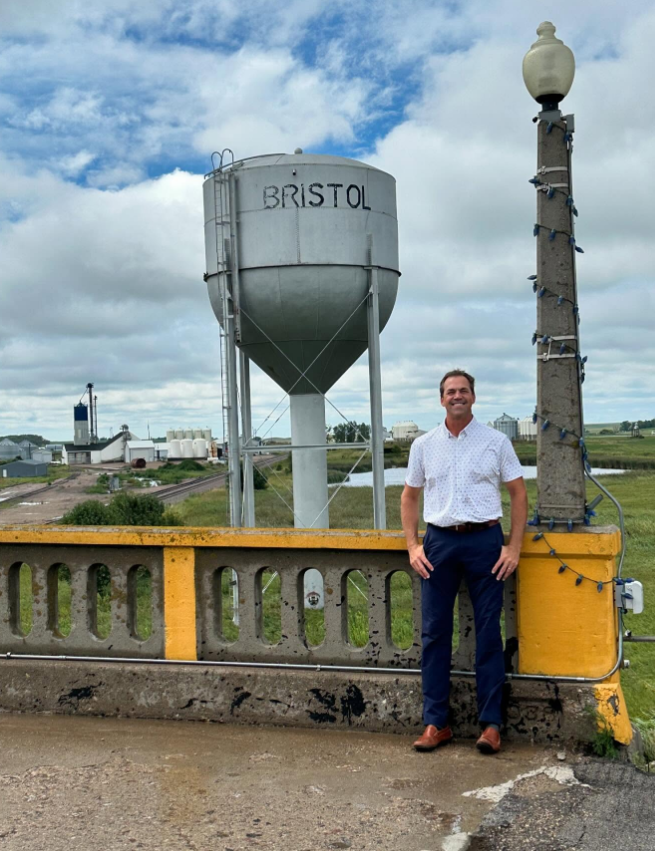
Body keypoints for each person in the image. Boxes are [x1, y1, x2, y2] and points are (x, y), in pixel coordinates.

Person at [400, 370, 527, 755]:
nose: (457, 396)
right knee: (435, 633)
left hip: (485, 542)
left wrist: (514, 548)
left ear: (473, 397)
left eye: (464, 391)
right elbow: (409, 498)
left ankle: (491, 726)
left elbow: (518, 495)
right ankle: (435, 723)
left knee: (489, 633)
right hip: (439, 542)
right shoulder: (423, 445)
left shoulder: (496, 441)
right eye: (450, 392)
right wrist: (412, 546)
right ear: (441, 400)